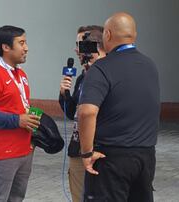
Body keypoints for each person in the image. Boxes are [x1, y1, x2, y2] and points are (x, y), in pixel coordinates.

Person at [78, 12, 160, 202]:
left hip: (111, 156)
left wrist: (87, 152)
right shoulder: (150, 65)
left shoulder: (101, 68)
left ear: (107, 34)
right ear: (134, 35)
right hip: (145, 156)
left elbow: (87, 112)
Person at [0, 25, 41, 202]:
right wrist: (17, 120)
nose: (26, 48)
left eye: (25, 42)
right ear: (6, 47)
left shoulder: (21, 74)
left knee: (16, 198)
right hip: (2, 153)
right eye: (21, 43)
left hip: (24, 150)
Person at [59, 25, 106, 202]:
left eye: (80, 45)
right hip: (78, 150)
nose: (76, 50)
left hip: (99, 150)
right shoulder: (82, 77)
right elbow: (72, 112)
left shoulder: (108, 74)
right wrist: (65, 94)